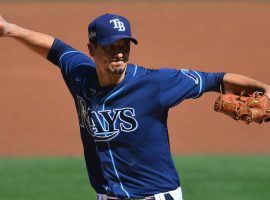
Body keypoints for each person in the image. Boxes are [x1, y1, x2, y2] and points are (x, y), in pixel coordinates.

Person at [0, 13, 269, 200]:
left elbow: (215, 79)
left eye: (124, 46)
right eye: (110, 46)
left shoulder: (156, 83)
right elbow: (57, 50)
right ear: (91, 50)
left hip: (157, 195)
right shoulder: (80, 74)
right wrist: (10, 29)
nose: (119, 53)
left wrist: (264, 89)